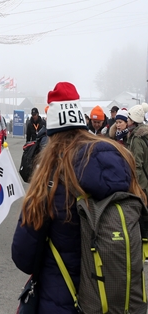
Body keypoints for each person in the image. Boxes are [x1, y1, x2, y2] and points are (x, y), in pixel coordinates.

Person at [12, 82, 145, 313]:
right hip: (114, 300)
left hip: (61, 301)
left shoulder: (49, 178)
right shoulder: (122, 158)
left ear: (52, 131)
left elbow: (24, 257)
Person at [127, 105, 148, 197]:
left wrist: (134, 186)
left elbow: (137, 164)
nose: (127, 120)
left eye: (128, 118)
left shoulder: (137, 139)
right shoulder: (145, 134)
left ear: (133, 121)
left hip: (142, 185)